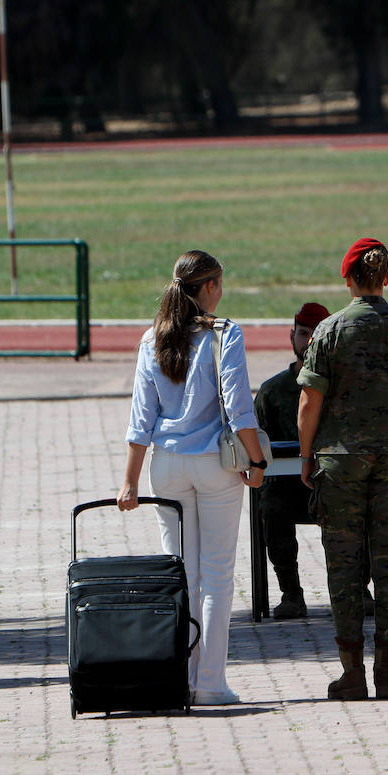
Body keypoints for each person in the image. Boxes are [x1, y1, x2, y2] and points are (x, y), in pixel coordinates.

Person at [118, 250, 265, 706]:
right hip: (215, 464)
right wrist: (257, 463)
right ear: (209, 288)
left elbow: (141, 418)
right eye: (218, 283)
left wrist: (129, 483)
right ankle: (211, 684)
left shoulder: (152, 338)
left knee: (181, 574)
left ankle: (177, 677)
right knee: (217, 575)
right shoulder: (225, 334)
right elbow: (239, 407)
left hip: (166, 465)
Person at [298, 238, 388, 700]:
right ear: (386, 279)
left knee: (344, 566)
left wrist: (305, 455)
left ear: (348, 278)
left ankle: (352, 671)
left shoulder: (330, 331)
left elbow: (308, 402)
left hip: (340, 463)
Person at [253, 302, 330, 620]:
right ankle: (291, 594)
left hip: (329, 482)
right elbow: (258, 445)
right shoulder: (273, 391)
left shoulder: (342, 388)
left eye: (316, 334)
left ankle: (356, 592)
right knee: (270, 504)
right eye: (302, 333)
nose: (308, 341)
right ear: (291, 336)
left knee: (357, 498)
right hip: (286, 488)